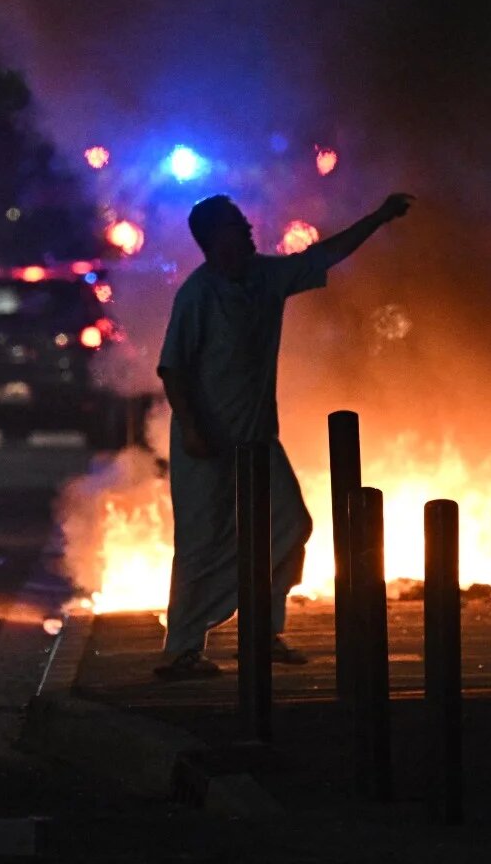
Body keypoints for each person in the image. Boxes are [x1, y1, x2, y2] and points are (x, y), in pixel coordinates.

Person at [154, 191, 415, 679]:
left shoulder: (264, 279)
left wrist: (378, 216)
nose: (249, 228)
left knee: (289, 525)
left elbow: (324, 257)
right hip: (207, 445)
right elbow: (173, 368)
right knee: (202, 543)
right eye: (237, 224)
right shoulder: (198, 294)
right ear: (214, 239)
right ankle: (181, 648)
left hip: (256, 440)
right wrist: (191, 428)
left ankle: (262, 630)